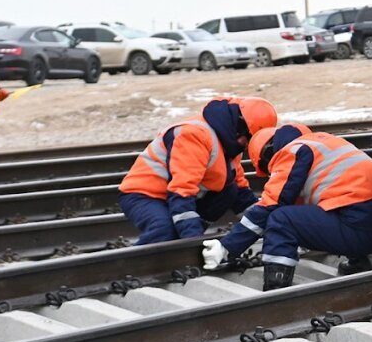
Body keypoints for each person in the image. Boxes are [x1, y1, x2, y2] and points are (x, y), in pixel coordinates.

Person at [201, 124, 372, 291]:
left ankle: (277, 287)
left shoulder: (293, 150)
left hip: (359, 228)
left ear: (268, 154)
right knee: (340, 201)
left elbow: (272, 204)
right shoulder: (325, 143)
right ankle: (359, 263)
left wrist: (227, 246)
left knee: (281, 219)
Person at [118, 96, 276, 243]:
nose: (246, 144)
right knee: (165, 229)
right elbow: (182, 189)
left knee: (230, 190)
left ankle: (183, 244)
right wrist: (193, 240)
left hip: (174, 194)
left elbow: (241, 192)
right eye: (248, 138)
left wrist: (267, 225)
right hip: (145, 194)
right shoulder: (194, 135)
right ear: (238, 124)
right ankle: (129, 266)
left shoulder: (230, 142)